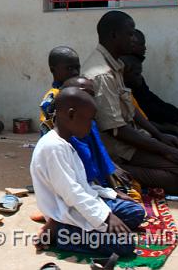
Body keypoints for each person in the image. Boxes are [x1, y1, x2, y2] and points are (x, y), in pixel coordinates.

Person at [83, 11, 178, 195]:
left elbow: (130, 108)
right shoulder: (102, 74)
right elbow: (117, 130)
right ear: (114, 35)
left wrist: (159, 136)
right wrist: (164, 148)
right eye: (130, 33)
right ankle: (108, 172)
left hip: (129, 142)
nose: (134, 39)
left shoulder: (115, 65)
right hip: (118, 150)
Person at [31, 86, 146, 257]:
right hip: (66, 213)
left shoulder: (66, 143)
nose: (92, 125)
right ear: (71, 115)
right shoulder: (53, 147)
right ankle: (61, 234)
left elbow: (82, 184)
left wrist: (111, 194)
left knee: (135, 211)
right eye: (89, 119)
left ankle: (84, 228)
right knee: (125, 245)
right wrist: (106, 218)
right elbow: (72, 193)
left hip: (80, 207)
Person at [39, 47, 117, 187]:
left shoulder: (79, 91)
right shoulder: (53, 101)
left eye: (77, 67)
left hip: (92, 165)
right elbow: (76, 147)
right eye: (69, 68)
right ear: (53, 70)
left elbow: (96, 143)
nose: (74, 72)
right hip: (71, 167)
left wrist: (109, 171)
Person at [127, 30, 178, 143]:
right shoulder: (128, 73)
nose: (145, 48)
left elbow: (149, 98)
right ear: (132, 45)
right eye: (142, 44)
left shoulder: (133, 69)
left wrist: (177, 115)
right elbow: (144, 108)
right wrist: (173, 121)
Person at [120, 54, 178, 147]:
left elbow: (145, 116)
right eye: (137, 74)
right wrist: (168, 130)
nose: (140, 78)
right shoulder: (122, 93)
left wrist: (177, 117)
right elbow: (140, 124)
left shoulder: (130, 92)